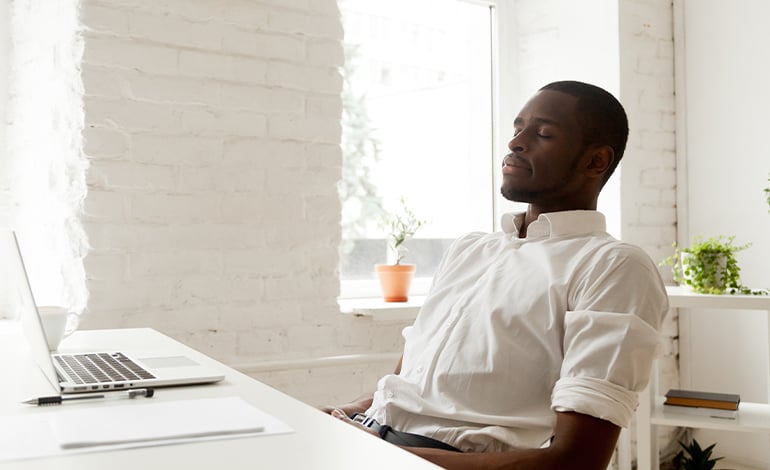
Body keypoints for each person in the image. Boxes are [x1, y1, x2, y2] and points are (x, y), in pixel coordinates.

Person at [323, 80, 669, 469]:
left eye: (543, 133)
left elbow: (577, 461)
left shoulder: (613, 266)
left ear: (595, 161)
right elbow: (411, 384)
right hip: (371, 439)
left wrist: (386, 456)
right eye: (517, 128)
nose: (516, 142)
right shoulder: (470, 249)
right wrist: (345, 415)